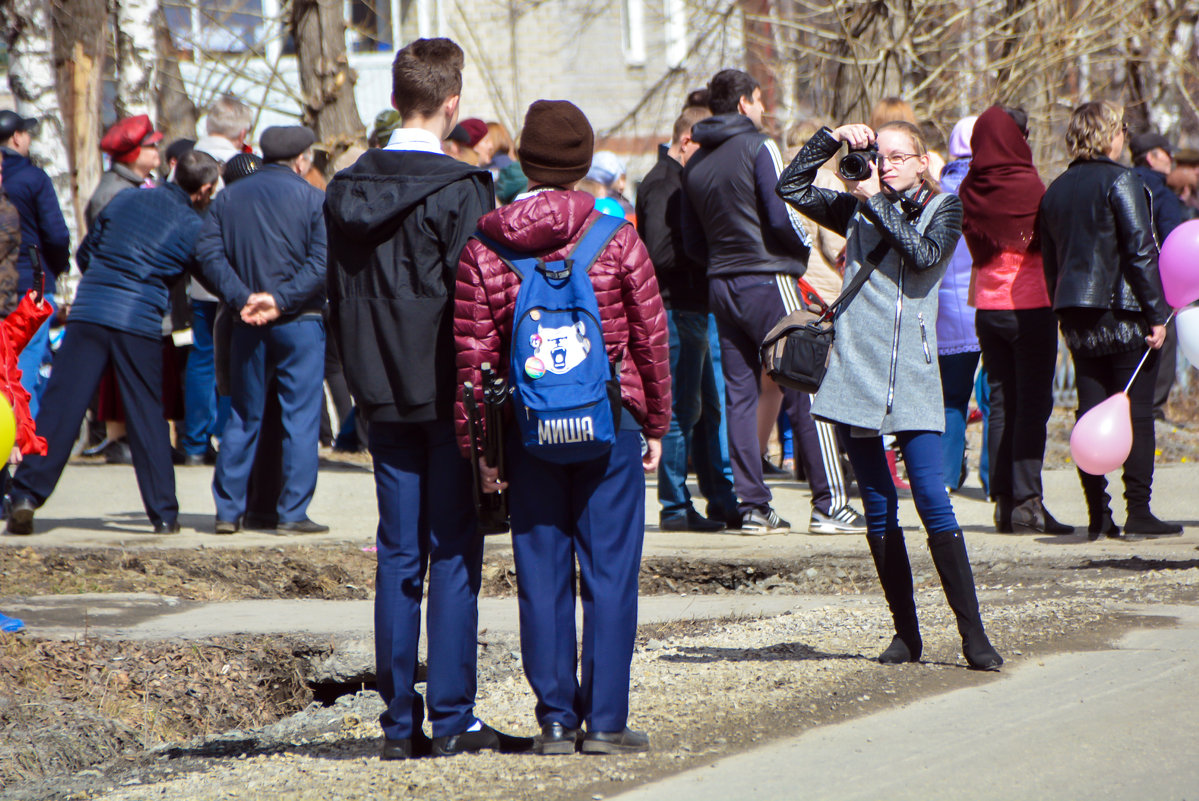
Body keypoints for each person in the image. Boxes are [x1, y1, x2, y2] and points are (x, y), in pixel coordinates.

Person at [325, 37, 528, 761]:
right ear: (452, 105)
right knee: (452, 552)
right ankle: (451, 718)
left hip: (376, 391)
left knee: (397, 555)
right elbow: (481, 305)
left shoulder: (343, 186)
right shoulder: (464, 189)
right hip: (447, 394)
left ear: (392, 101)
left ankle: (396, 724)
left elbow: (336, 295)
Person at [455, 99, 670, 755]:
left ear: (522, 160)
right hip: (609, 421)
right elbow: (650, 338)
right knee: (610, 573)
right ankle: (604, 721)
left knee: (541, 574)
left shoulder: (485, 245)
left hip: (529, 432)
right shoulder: (616, 235)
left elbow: (473, 360)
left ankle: (553, 718)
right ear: (583, 164)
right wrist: (654, 419)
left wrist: (481, 455)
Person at [778, 120, 1003, 671]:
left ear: (924, 162)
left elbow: (923, 256)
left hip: (915, 375)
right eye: (882, 156)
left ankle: (974, 636)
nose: (889, 165)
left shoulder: (944, 209)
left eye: (901, 156)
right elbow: (791, 188)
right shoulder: (858, 204)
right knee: (877, 505)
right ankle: (907, 635)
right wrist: (831, 141)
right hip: (856, 372)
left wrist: (876, 200)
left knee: (931, 497)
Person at [682, 68, 863, 535]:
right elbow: (781, 207)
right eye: (760, 101)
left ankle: (752, 507)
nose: (763, 110)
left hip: (720, 284)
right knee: (807, 379)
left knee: (739, 396)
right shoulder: (758, 145)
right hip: (768, 276)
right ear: (745, 103)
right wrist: (796, 252)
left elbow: (690, 237)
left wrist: (721, 263)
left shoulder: (696, 160)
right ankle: (831, 504)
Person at [5, 151, 220, 536]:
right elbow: (209, 272)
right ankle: (164, 514)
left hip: (89, 310)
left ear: (172, 169)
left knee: (61, 406)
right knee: (146, 415)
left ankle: (26, 495)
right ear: (205, 189)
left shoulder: (125, 199)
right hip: (137, 322)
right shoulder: (192, 224)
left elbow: (87, 253)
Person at [1039, 101, 1179, 538]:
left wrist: (1059, 307)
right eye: (1119, 129)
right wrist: (1158, 314)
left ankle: (1097, 515)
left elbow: (1049, 260)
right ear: (1108, 134)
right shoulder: (1124, 180)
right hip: (1125, 313)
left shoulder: (1055, 190)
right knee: (1135, 414)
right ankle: (1138, 510)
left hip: (1077, 313)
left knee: (1090, 413)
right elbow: (1141, 252)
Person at [194, 126, 328, 536]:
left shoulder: (227, 198)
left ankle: (228, 511)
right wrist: (280, 300)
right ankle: (292, 513)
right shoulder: (312, 199)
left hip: (246, 322)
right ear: (302, 160)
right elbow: (323, 263)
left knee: (242, 415)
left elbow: (208, 255)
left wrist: (243, 297)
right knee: (300, 420)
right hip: (299, 322)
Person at [958, 106, 1071, 534]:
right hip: (1030, 309)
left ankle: (1004, 502)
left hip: (988, 312)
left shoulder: (971, 188)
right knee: (1033, 407)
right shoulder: (1028, 184)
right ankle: (1028, 503)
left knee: (1001, 405)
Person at [637, 104, 737, 532]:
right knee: (681, 411)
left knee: (706, 408)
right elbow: (659, 252)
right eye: (706, 146)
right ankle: (675, 506)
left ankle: (718, 497)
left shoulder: (680, 180)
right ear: (686, 141)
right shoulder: (664, 184)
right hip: (676, 308)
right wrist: (709, 251)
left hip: (693, 308)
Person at [183, 94, 256, 467]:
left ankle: (194, 442)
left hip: (196, 280)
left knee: (201, 357)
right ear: (242, 131)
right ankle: (229, 436)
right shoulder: (238, 167)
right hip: (233, 280)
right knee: (233, 359)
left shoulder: (185, 162)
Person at [0, 109, 70, 417]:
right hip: (31, 283)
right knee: (25, 365)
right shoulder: (33, 178)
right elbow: (56, 235)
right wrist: (58, 266)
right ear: (17, 137)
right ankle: (21, 444)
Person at [935, 115, 980, 494]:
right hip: (989, 304)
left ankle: (946, 477)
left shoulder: (936, 190)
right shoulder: (988, 190)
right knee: (996, 395)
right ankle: (996, 479)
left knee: (951, 397)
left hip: (944, 312)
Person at [1129, 131, 1185, 422]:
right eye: (1166, 153)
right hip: (1157, 284)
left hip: (1120, 285)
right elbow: (1173, 244)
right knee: (1165, 337)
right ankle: (1152, 409)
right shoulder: (1161, 193)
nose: (1172, 159)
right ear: (1152, 157)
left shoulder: (1119, 183)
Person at [87, 114, 162, 226]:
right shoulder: (111, 194)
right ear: (133, 153)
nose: (156, 149)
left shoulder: (145, 183)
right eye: (151, 146)